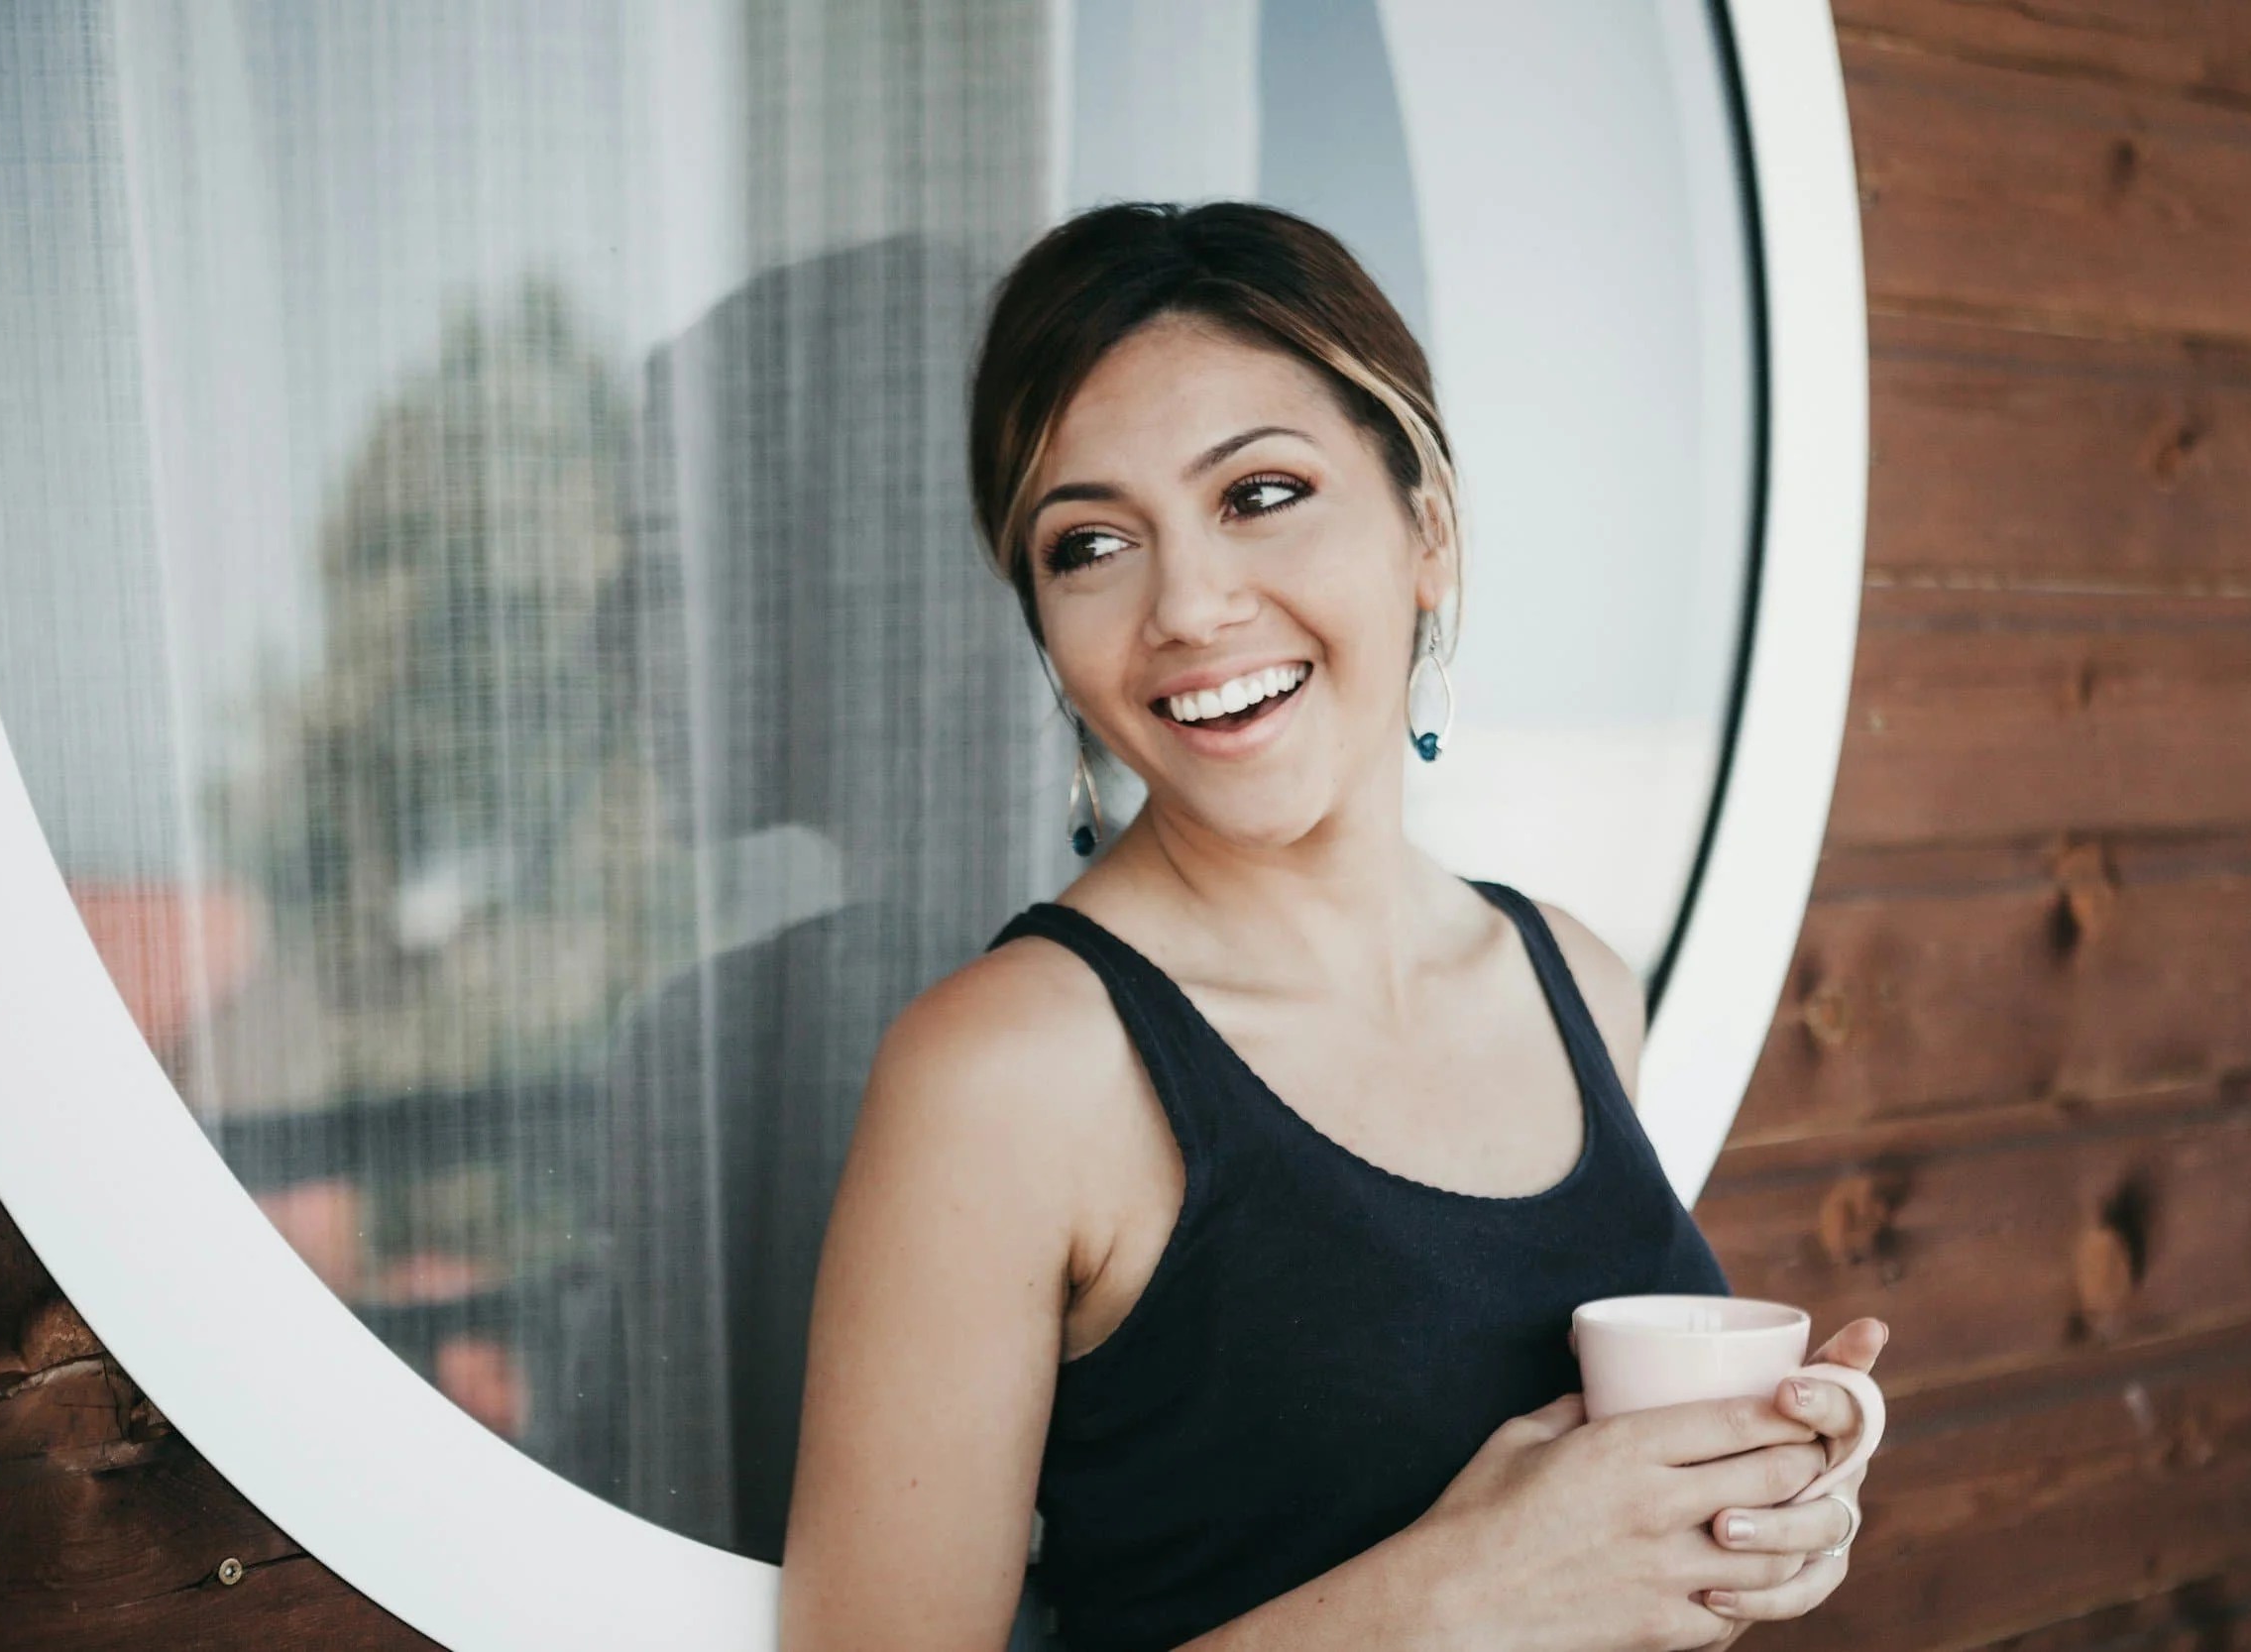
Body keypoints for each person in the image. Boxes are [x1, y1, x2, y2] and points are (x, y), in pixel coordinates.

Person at [779, 201, 1887, 1652]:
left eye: (1258, 495)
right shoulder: (1010, 1070)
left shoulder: (1574, 979)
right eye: (1092, 542)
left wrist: (1758, 1509)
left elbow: (1609, 1555)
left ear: (1425, 532)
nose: (1188, 604)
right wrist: (1462, 1593)